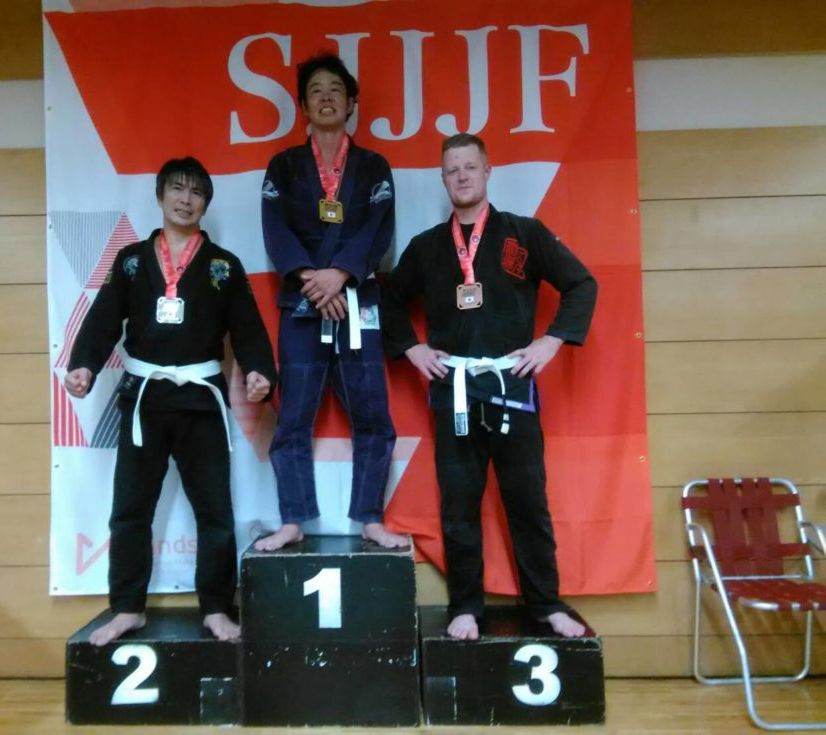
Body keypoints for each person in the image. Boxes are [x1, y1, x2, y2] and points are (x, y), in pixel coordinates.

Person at [381, 133, 597, 640]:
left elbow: (581, 284)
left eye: (470, 167)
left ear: (487, 171)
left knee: (528, 501)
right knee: (459, 504)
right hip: (453, 389)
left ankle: (546, 604)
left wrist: (552, 340)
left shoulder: (525, 234)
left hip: (511, 384)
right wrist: (412, 349)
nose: (462, 176)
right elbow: (388, 300)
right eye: (452, 169)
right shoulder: (427, 247)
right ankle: (465, 607)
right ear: (443, 179)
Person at [64, 157, 277, 645]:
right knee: (130, 509)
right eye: (177, 189)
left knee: (215, 511)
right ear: (160, 196)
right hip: (144, 399)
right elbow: (103, 318)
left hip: (201, 400)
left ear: (206, 203)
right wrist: (84, 365)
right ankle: (127, 608)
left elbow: (247, 327)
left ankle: (217, 609)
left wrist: (259, 371)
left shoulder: (223, 266)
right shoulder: (131, 261)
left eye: (196, 192)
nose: (186, 199)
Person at [255, 52, 408, 552]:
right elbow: (275, 228)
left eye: (336, 90)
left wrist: (340, 274)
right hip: (303, 304)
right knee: (292, 414)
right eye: (316, 91)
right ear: (303, 106)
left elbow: (379, 227)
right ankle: (293, 520)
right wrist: (313, 280)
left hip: (357, 301)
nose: (326, 98)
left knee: (373, 414)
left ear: (351, 104)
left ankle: (370, 518)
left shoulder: (373, 167)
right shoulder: (283, 166)